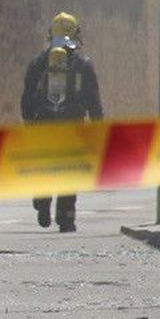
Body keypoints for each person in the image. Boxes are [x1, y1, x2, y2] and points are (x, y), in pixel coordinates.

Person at [20, 12, 104, 234]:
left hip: (43, 124)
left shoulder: (38, 62)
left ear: (51, 33)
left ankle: (42, 200)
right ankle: (66, 218)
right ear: (75, 34)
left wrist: (28, 120)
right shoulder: (84, 64)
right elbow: (93, 99)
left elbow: (28, 94)